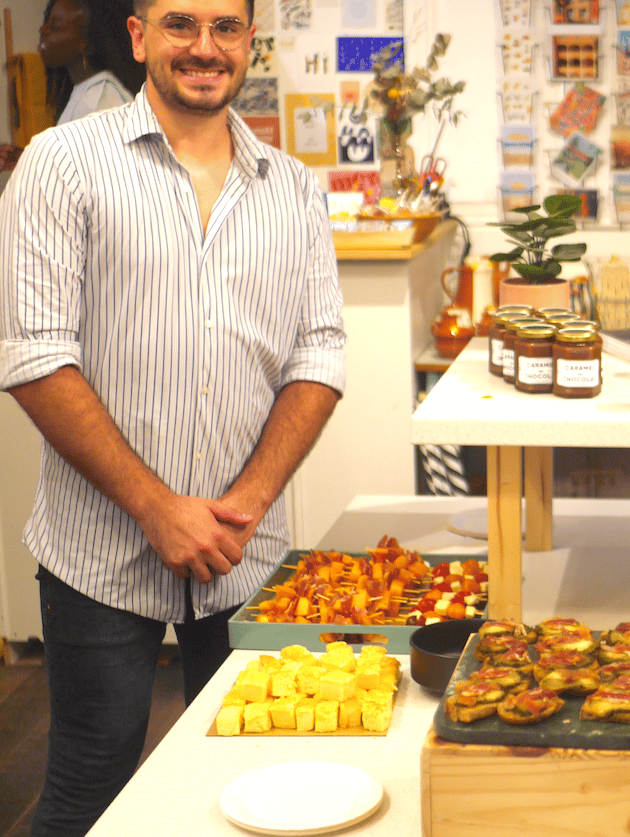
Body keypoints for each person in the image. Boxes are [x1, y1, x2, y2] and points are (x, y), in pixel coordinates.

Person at [0, 0, 346, 834]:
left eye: (226, 28)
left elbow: (320, 352)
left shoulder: (293, 188)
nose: (204, 47)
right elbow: (34, 353)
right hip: (102, 549)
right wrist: (159, 508)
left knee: (255, 781)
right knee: (91, 781)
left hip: (245, 550)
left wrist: (251, 499)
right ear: (138, 36)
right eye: (180, 24)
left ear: (249, 42)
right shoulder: (61, 163)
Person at [0, 0, 145, 171]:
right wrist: (28, 157)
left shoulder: (101, 103)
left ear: (87, 44)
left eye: (55, 27)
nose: (42, 30)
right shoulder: (87, 91)